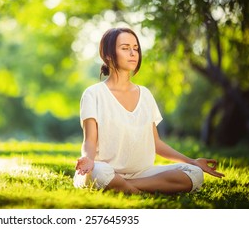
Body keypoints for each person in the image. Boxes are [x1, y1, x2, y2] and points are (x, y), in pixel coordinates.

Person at [73, 27, 224, 194]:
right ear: (108, 55)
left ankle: (124, 186)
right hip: (106, 170)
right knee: (99, 173)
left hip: (142, 173)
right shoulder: (93, 94)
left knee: (194, 173)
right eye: (125, 48)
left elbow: (156, 143)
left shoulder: (145, 94)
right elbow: (90, 141)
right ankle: (137, 187)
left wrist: (193, 161)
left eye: (135, 48)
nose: (133, 53)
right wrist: (88, 160)